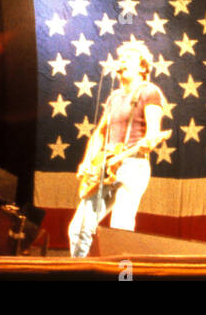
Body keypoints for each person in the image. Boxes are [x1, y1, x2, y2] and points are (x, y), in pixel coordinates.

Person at [68, 39, 167, 258]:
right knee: (79, 228)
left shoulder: (149, 92)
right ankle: (76, 273)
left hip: (133, 165)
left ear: (142, 67)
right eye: (120, 58)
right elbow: (99, 133)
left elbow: (152, 135)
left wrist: (139, 147)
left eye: (128, 58)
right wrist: (87, 161)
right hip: (105, 167)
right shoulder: (114, 98)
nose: (121, 61)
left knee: (119, 228)